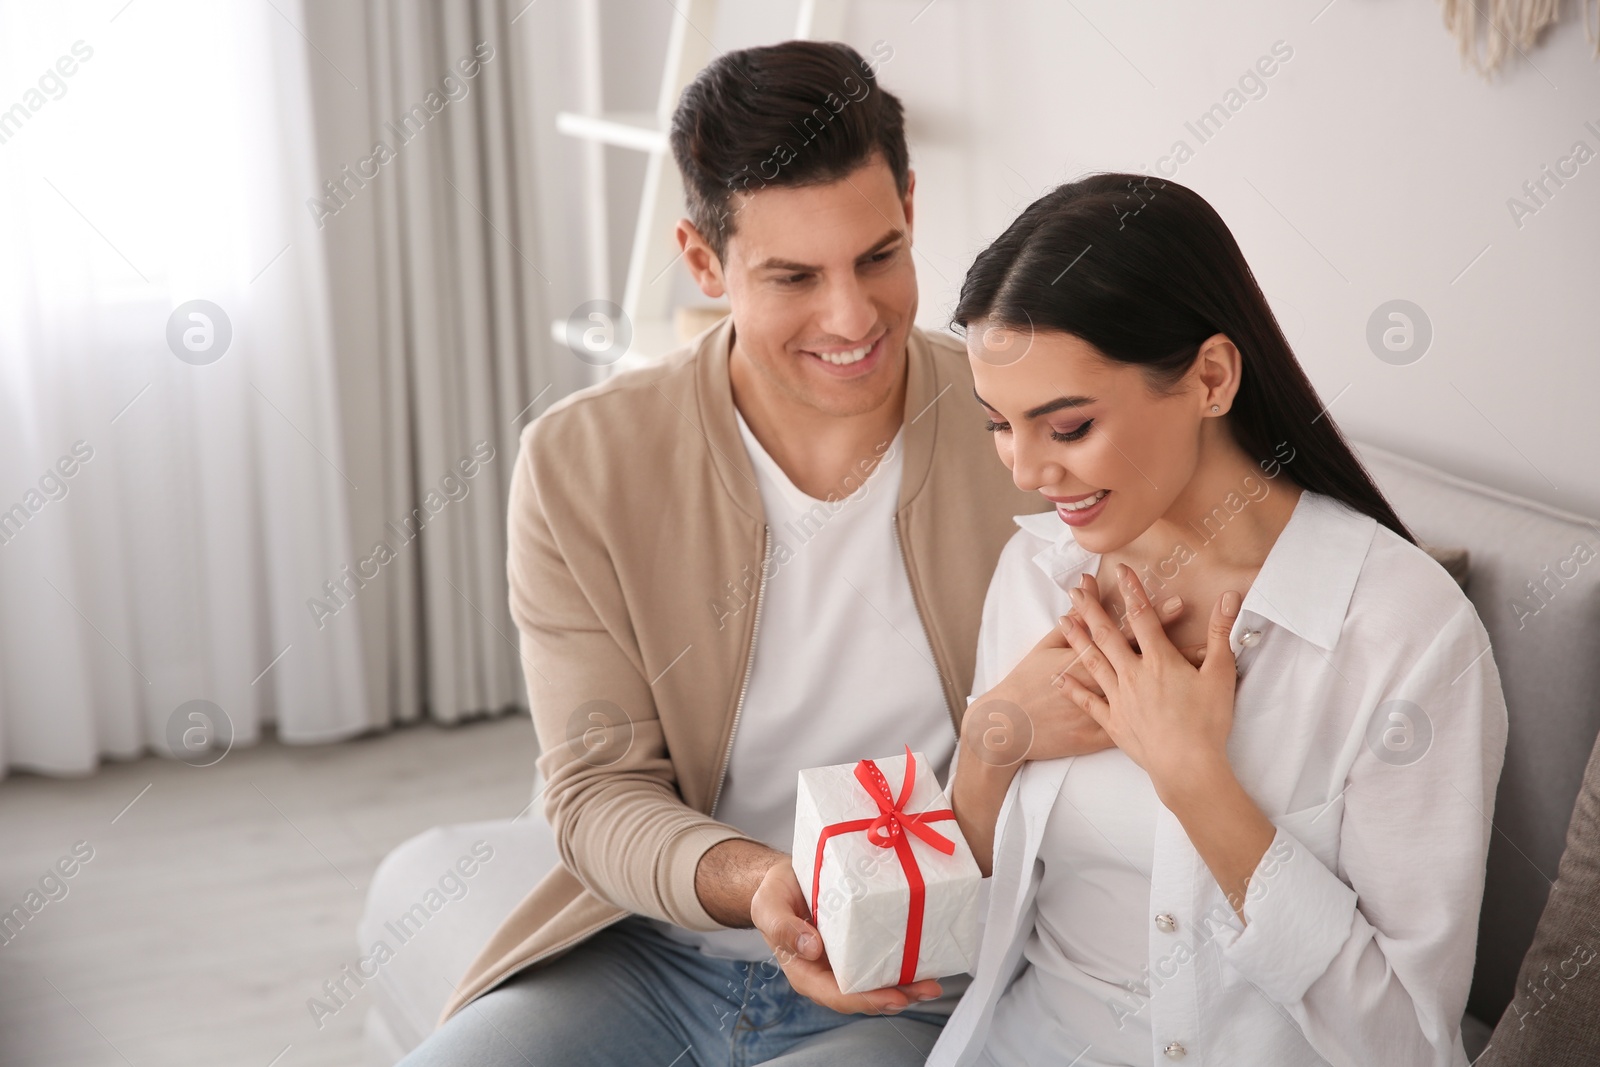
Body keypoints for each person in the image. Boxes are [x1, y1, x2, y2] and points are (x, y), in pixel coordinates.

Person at [400, 43, 1189, 1067]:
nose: (854, 318)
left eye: (878, 254)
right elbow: (595, 791)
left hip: (917, 978)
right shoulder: (581, 462)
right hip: (647, 957)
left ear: (909, 202)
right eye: (792, 277)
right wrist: (762, 882)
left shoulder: (1020, 437)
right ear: (701, 261)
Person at [926, 175, 1509, 1066]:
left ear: (1210, 377)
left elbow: (1412, 1047)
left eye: (1069, 425)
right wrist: (988, 744)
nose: (1025, 470)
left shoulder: (1404, 632)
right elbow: (947, 952)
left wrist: (1196, 778)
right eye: (1000, 426)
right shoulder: (1038, 577)